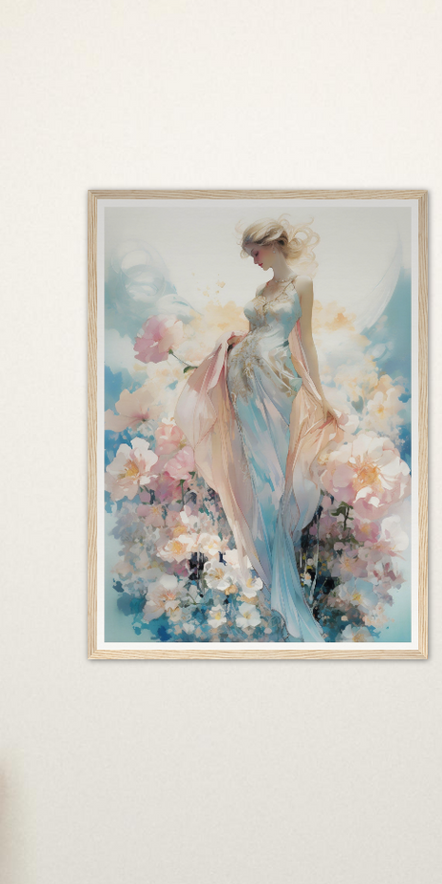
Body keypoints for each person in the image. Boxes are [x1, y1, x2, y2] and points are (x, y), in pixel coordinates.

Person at [177, 219, 343, 641]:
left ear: (273, 245)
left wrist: (318, 393)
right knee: (254, 471)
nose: (253, 260)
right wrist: (233, 343)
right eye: (251, 254)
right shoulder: (261, 291)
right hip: (244, 379)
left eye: (256, 252)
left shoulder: (300, 285)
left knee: (275, 477)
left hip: (277, 381)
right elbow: (256, 332)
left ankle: (282, 583)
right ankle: (274, 580)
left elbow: (304, 342)